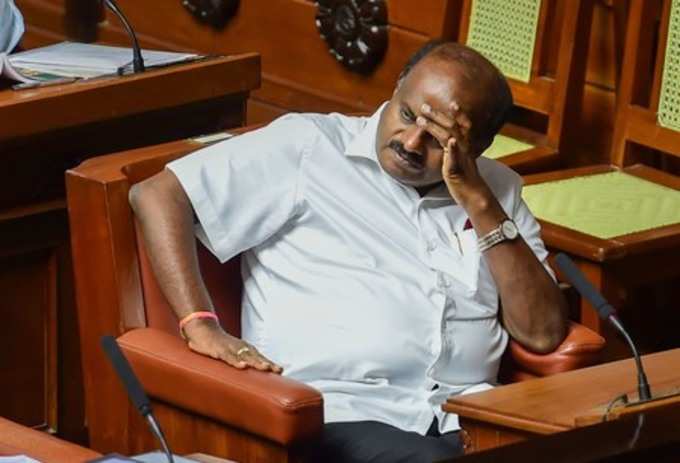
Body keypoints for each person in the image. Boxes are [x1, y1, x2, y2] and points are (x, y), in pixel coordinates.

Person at [129, 41, 568, 462]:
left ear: (478, 148)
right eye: (407, 114)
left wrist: (481, 204)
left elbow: (543, 333)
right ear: (397, 86)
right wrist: (199, 324)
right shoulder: (309, 147)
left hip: (468, 416)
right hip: (342, 411)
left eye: (440, 139)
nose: (412, 142)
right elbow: (157, 195)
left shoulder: (497, 191)